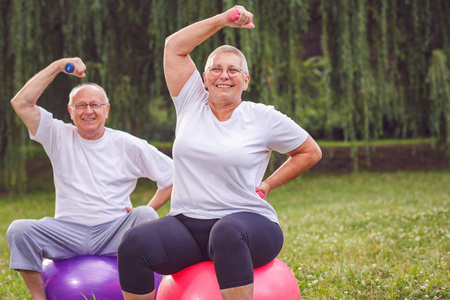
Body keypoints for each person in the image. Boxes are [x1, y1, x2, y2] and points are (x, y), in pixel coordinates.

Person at [117, 5, 322, 300]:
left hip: (248, 225)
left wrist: (268, 183)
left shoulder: (263, 117)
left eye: (233, 70)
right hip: (187, 225)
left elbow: (309, 151)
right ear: (204, 77)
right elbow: (174, 47)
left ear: (246, 81)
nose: (223, 75)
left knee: (226, 231)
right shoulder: (189, 103)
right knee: (134, 242)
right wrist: (225, 20)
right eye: (216, 68)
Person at [6, 57, 174, 300]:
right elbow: (21, 103)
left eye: (95, 105)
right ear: (70, 112)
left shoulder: (127, 144)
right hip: (66, 233)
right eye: (80, 105)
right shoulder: (57, 135)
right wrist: (57, 67)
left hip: (114, 231)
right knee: (18, 230)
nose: (88, 111)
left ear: (106, 110)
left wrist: (148, 206)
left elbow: (172, 177)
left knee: (145, 216)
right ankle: (40, 298)